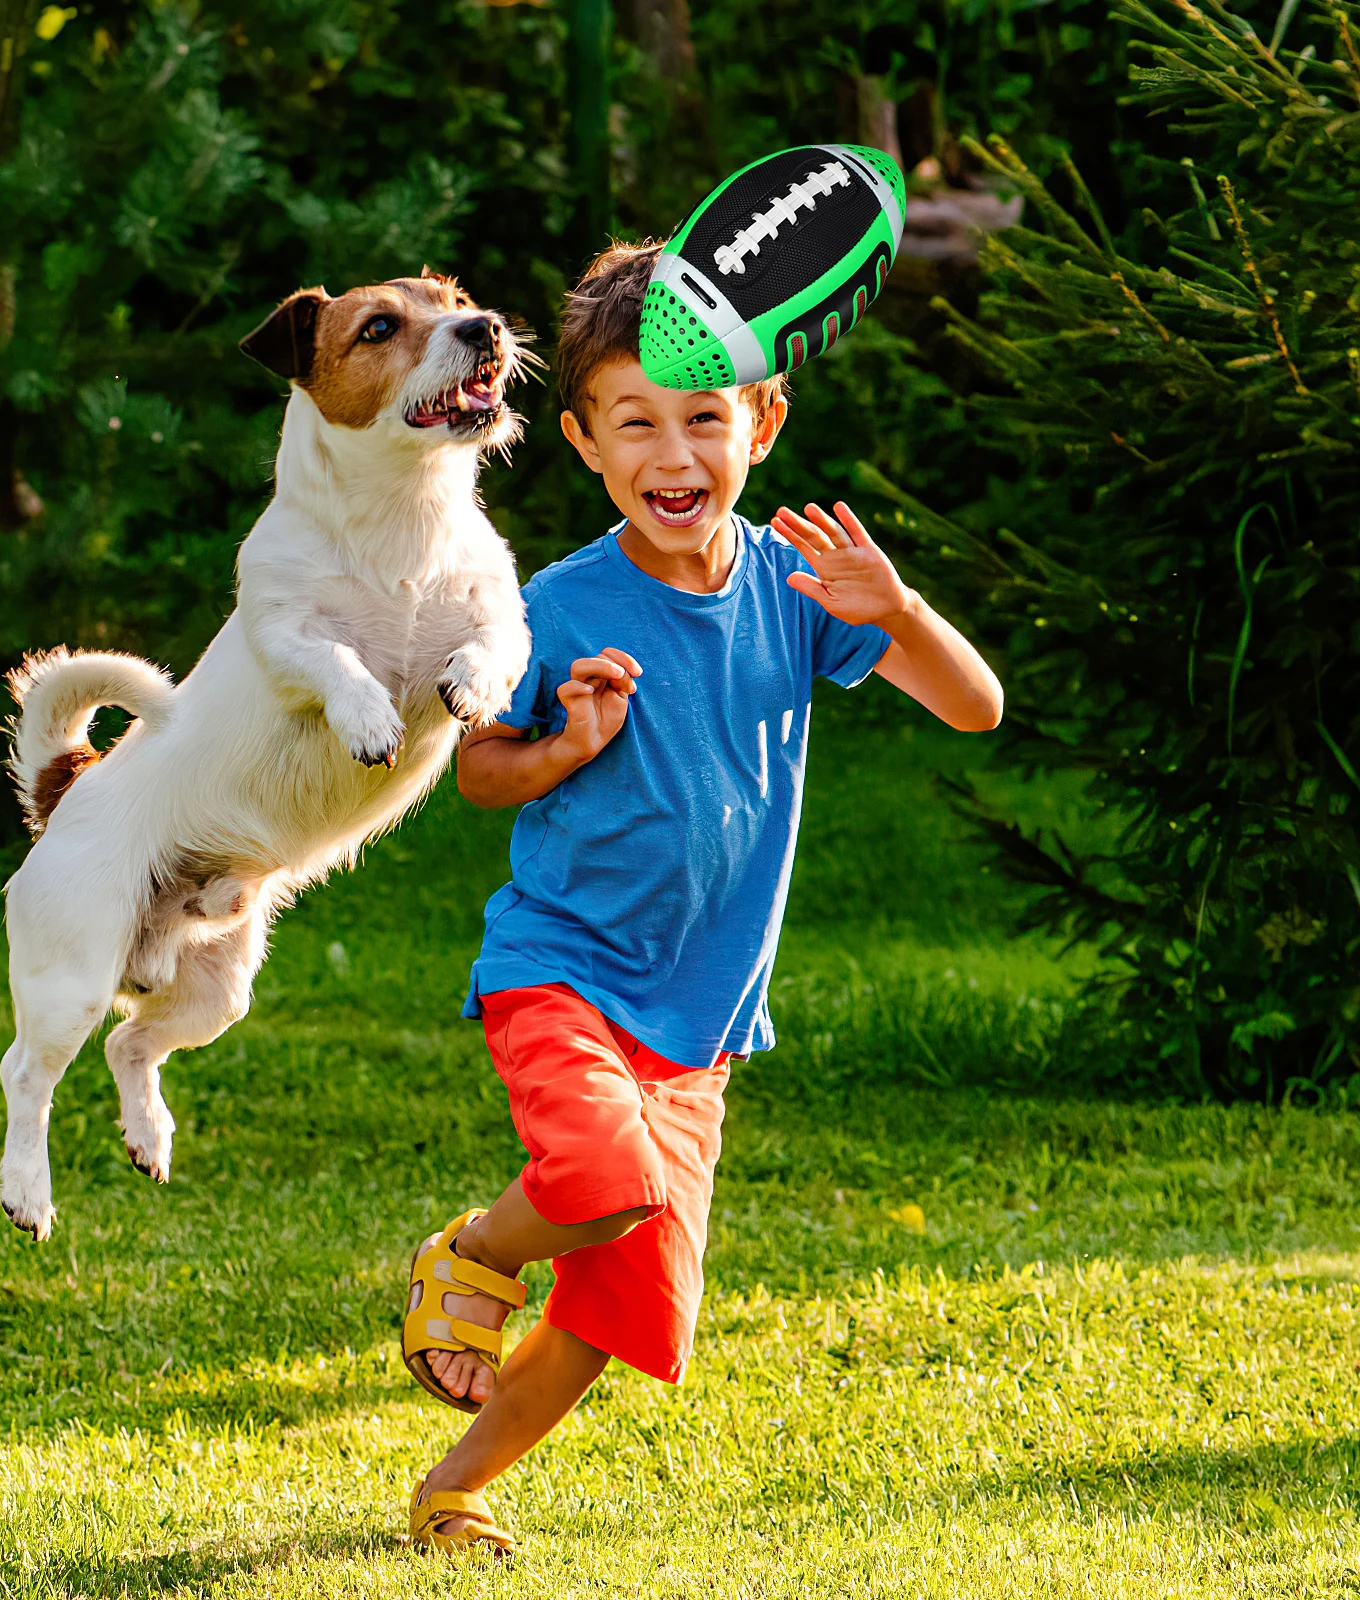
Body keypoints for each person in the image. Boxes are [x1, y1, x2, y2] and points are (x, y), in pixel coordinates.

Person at [400, 240, 1003, 1554]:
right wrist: (562, 746)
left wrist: (896, 608)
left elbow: (975, 706)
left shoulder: (802, 591)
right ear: (582, 442)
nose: (675, 456)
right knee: (600, 1179)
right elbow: (480, 775)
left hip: (699, 1021)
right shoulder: (554, 604)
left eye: (705, 420)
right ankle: (477, 1255)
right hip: (563, 967)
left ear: (762, 425)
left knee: (621, 1312)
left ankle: (457, 1488)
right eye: (637, 424)